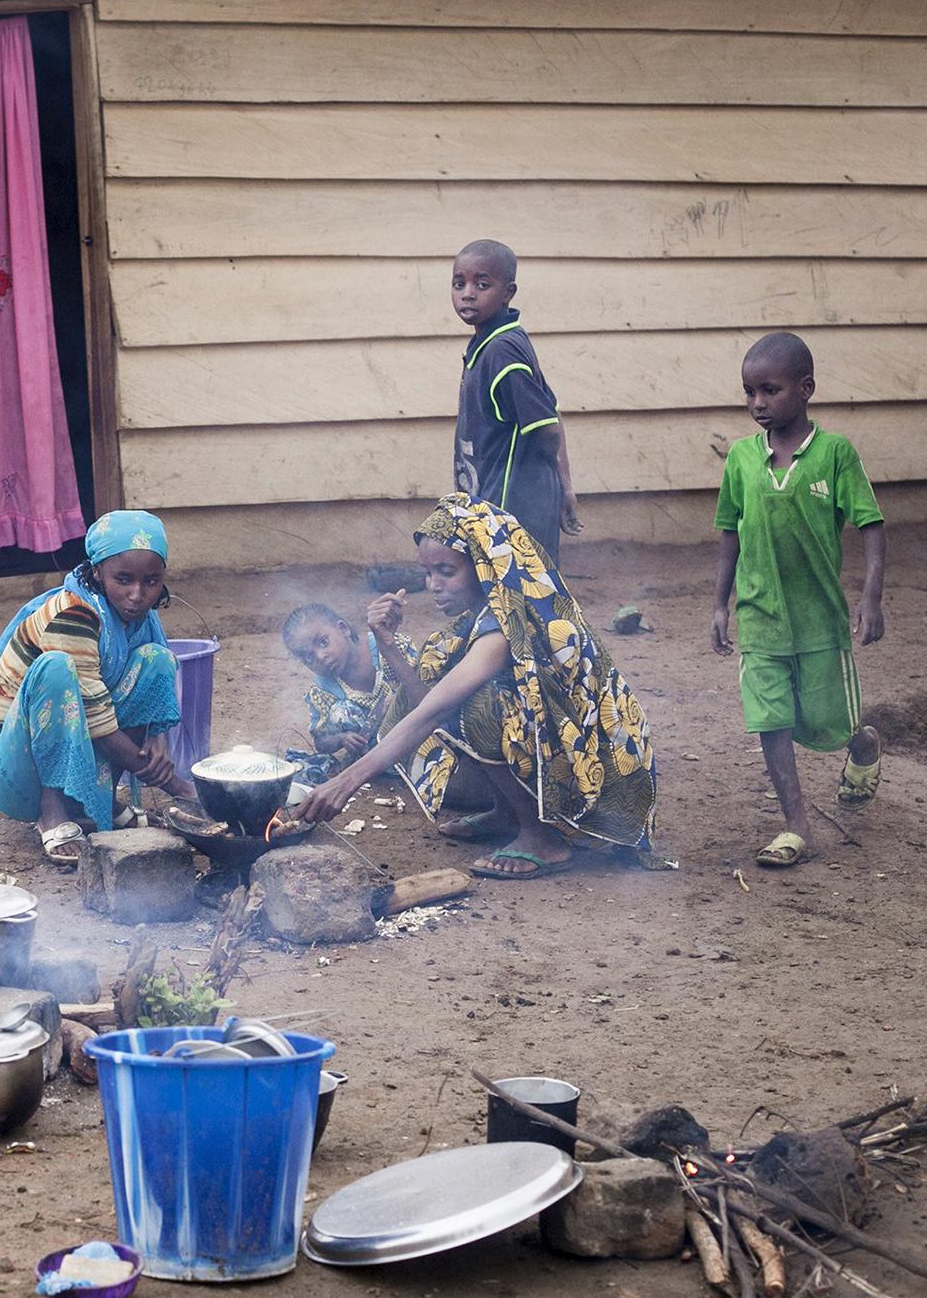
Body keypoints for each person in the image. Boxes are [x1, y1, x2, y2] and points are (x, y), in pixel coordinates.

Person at [299, 495, 656, 879]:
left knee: (478, 707)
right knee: (438, 692)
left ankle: (544, 839)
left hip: (604, 773)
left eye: (445, 572)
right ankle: (509, 814)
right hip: (564, 747)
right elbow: (425, 704)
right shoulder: (480, 613)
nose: (433, 586)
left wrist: (347, 781)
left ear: (483, 565)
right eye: (427, 573)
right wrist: (387, 644)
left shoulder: (506, 622)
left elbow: (437, 711)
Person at [711, 331, 886, 869]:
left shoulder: (834, 455)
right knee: (771, 719)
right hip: (760, 618)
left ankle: (862, 746)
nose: (757, 404)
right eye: (749, 393)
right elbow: (729, 533)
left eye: (770, 390)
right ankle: (795, 827)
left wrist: (871, 595)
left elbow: (870, 525)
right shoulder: (741, 458)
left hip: (819, 621)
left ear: (806, 388)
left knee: (828, 722)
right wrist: (720, 603)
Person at [0, 511, 196, 867]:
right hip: (12, 769)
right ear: (97, 572)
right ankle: (51, 809)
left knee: (157, 659)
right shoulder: (73, 613)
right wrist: (177, 786)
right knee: (56, 669)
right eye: (123, 579)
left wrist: (158, 739)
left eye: (151, 582)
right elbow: (98, 721)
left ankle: (104, 801)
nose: (138, 595)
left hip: (78, 748)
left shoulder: (141, 619)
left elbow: (154, 691)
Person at [451, 239, 581, 558]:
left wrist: (557, 486)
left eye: (482, 284)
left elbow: (546, 428)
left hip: (516, 511)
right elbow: (552, 408)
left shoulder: (502, 352)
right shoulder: (492, 343)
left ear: (508, 293)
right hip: (492, 507)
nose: (468, 292)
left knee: (524, 599)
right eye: (459, 283)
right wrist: (564, 484)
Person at [280, 601, 424, 786]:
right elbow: (321, 741)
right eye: (308, 657)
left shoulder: (389, 645)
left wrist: (391, 652)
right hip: (377, 760)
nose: (320, 657)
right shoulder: (323, 691)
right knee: (341, 711)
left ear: (343, 629)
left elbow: (425, 685)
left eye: (323, 642)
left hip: (417, 736)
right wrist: (341, 739)